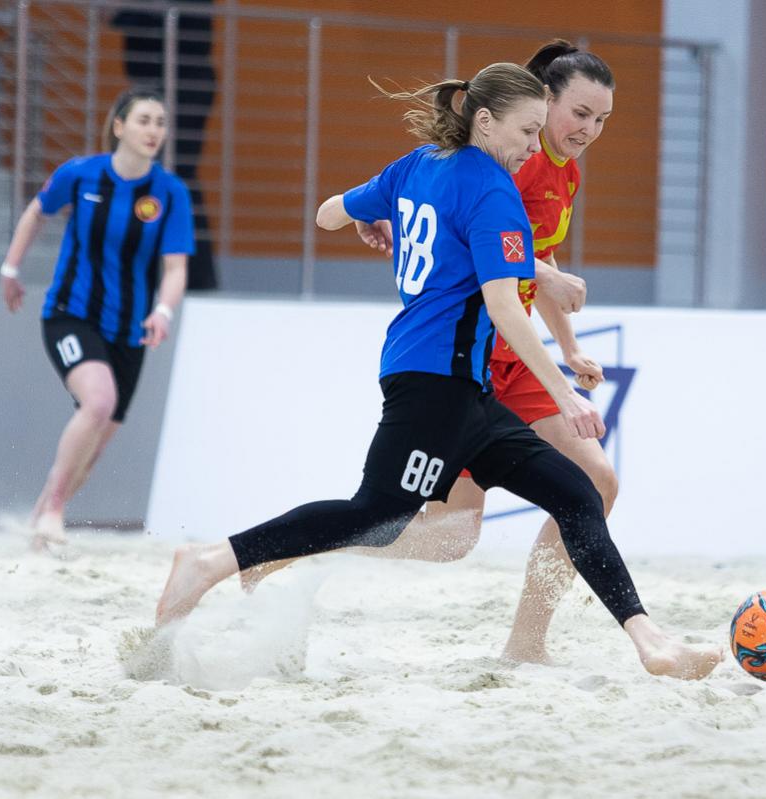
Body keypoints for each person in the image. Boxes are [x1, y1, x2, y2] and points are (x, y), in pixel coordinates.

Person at [155, 61, 720, 681]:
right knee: (375, 516)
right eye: (528, 131)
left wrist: (369, 215)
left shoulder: (416, 164)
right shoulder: (494, 192)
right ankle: (213, 560)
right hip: (435, 381)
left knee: (577, 494)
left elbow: (327, 214)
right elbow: (505, 308)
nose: (535, 147)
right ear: (486, 122)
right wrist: (565, 393)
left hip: (465, 390)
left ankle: (650, 640)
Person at [243, 41, 618, 666]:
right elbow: (487, 247)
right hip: (471, 357)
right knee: (448, 535)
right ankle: (298, 549)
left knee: (593, 485)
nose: (589, 130)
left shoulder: (565, 172)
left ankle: (527, 642)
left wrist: (570, 346)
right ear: (542, 102)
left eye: (602, 119)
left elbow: (534, 262)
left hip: (516, 352)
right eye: (580, 113)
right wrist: (547, 278)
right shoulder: (507, 163)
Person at [1, 88, 193, 550]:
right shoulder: (80, 173)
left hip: (129, 330)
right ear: (119, 126)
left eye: (161, 122)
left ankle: (39, 521)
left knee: (96, 444)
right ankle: (54, 511)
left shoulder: (170, 192)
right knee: (99, 402)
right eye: (144, 120)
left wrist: (163, 311)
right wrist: (10, 269)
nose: (154, 130)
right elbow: (36, 213)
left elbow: (175, 268)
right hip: (71, 315)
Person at [110, 1, 217, 290]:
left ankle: (195, 277)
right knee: (153, 177)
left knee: (177, 176)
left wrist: (128, 14)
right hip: (156, 82)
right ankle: (158, 271)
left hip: (182, 83)